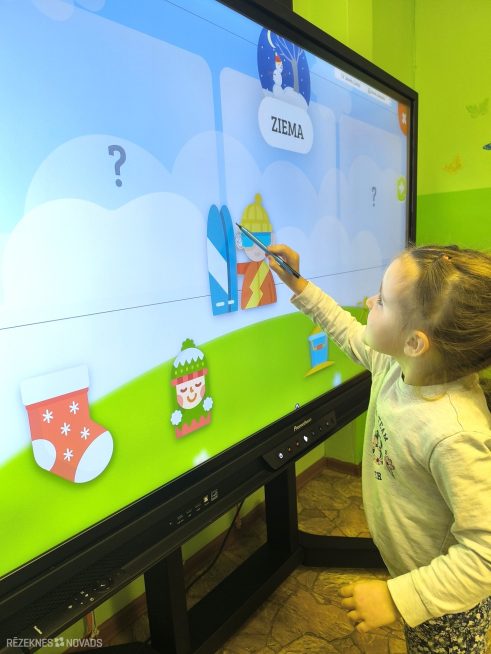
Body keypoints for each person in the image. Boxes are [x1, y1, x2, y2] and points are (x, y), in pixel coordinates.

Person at [267, 242, 491, 653]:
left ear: (416, 343)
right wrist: (298, 284)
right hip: (414, 574)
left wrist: (396, 598)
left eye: (382, 301)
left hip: (449, 602)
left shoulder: (455, 435)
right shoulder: (397, 365)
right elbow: (347, 330)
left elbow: (484, 556)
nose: (370, 301)